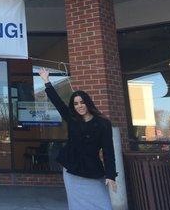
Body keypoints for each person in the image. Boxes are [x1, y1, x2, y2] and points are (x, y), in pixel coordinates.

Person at [39, 68, 117, 210]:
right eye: (76, 104)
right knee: (77, 204)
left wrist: (111, 175)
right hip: (71, 167)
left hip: (92, 169)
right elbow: (58, 103)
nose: (79, 106)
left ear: (87, 103)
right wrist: (46, 81)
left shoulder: (103, 123)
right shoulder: (73, 119)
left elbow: (108, 150)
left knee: (103, 205)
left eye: (82, 102)